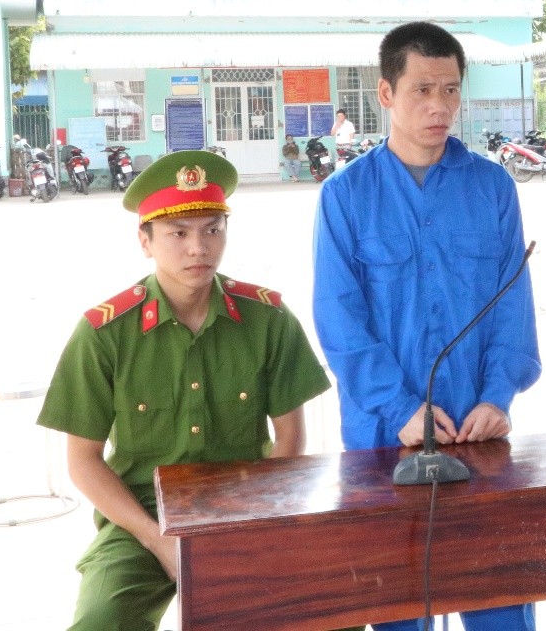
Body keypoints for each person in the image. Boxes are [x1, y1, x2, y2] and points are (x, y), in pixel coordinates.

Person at [36, 150, 341, 631]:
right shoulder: (104, 332)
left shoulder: (268, 318)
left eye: (212, 230)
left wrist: (254, 524)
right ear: (145, 241)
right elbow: (83, 462)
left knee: (336, 604)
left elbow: (290, 439)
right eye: (178, 233)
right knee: (101, 620)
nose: (198, 248)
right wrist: (156, 538)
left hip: (251, 504)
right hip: (142, 512)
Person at [312, 21, 541, 631]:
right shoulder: (346, 196)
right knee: (396, 609)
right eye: (421, 90)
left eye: (451, 90)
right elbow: (339, 320)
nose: (440, 106)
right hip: (383, 442)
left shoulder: (492, 187)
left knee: (500, 608)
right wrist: (399, 408)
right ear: (386, 93)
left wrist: (497, 395)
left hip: (476, 435)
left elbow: (513, 308)